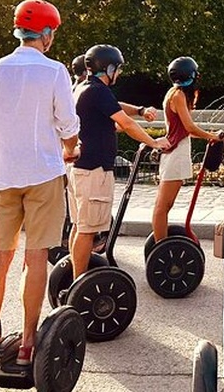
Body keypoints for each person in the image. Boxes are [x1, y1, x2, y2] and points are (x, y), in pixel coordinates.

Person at [0, 0, 80, 366]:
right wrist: (70, 148)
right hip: (42, 174)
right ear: (46, 34)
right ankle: (28, 342)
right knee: (36, 256)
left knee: (0, 254)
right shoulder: (54, 71)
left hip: (3, 175)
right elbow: (68, 124)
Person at [67, 44, 168, 280]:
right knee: (87, 231)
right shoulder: (97, 91)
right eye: (118, 69)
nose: (119, 73)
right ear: (108, 68)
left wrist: (140, 110)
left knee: (80, 227)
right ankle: (78, 284)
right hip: (94, 171)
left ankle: (73, 277)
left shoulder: (85, 87)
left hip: (81, 169)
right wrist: (154, 142)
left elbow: (115, 106)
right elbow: (126, 123)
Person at [150, 56, 223, 243]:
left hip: (176, 150)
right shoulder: (178, 96)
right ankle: (160, 246)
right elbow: (189, 127)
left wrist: (209, 135)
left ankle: (160, 243)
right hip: (176, 153)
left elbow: (185, 130)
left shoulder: (174, 93)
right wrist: (212, 136)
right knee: (163, 206)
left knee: (165, 205)